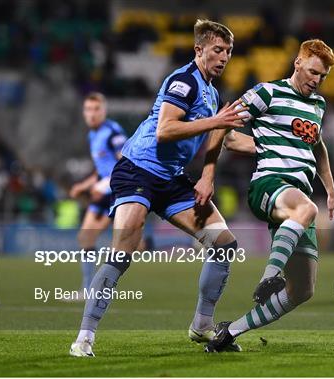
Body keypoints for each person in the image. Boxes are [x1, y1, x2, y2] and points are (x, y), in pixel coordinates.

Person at [70, 19, 247, 357]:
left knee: (223, 243)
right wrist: (217, 122)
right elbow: (166, 129)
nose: (224, 57)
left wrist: (269, 147)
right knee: (123, 250)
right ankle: (84, 337)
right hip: (138, 170)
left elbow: (223, 135)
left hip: (171, 178)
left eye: (229, 52)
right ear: (199, 50)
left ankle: (202, 325)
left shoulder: (211, 93)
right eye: (217, 50)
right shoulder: (184, 81)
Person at [203, 39, 334, 352]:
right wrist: (234, 145)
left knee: (302, 291)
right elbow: (224, 123)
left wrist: (331, 191)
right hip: (268, 185)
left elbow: (318, 147)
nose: (316, 80)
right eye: (312, 72)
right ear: (297, 63)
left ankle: (230, 333)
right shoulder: (267, 92)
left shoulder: (318, 106)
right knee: (307, 210)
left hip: (297, 199)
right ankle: (269, 276)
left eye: (322, 76)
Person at [69, 92, 127, 299]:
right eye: (88, 109)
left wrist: (103, 186)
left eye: (96, 109)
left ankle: (164, 244)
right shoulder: (92, 135)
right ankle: (87, 290)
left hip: (115, 192)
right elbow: (101, 170)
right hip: (102, 191)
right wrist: (83, 185)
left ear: (104, 111)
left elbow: (125, 163)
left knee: (129, 245)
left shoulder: (113, 132)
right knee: (85, 237)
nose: (92, 114)